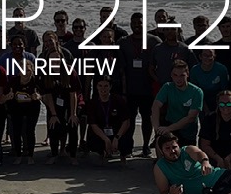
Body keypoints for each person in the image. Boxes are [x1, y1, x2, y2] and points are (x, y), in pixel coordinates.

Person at [119, 12, 160, 156]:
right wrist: (123, 90)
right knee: (129, 119)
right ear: (130, 24)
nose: (137, 25)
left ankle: (145, 146)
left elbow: (159, 63)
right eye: (134, 23)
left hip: (147, 89)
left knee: (147, 118)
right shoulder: (123, 42)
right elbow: (121, 69)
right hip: (130, 89)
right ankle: (128, 148)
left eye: (140, 23)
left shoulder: (154, 41)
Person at [41, 49, 82, 164]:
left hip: (70, 103)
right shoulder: (46, 72)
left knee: (72, 126)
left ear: (61, 59)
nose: (55, 60)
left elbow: (73, 94)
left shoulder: (69, 70)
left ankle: (73, 156)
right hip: (54, 103)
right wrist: (53, 114)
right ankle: (54, 153)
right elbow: (48, 94)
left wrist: (73, 114)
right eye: (52, 58)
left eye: (57, 58)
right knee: (53, 125)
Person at [151, 60, 203, 147]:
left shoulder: (197, 92)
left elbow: (191, 117)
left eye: (182, 75)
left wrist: (169, 128)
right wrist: (157, 129)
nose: (178, 79)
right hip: (170, 123)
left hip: (187, 130)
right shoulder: (167, 87)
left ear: (187, 74)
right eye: (175, 75)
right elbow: (155, 106)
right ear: (171, 75)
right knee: (160, 143)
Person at [85, 78, 132, 164]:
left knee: (127, 139)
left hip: (116, 131)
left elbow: (126, 122)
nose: (103, 89)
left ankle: (123, 155)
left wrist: (117, 138)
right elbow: (93, 125)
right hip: (102, 132)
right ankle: (102, 152)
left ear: (110, 87)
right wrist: (106, 139)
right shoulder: (93, 103)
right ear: (96, 87)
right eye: (100, 86)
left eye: (106, 86)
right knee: (92, 139)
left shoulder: (118, 100)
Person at [190, 49, 229, 114]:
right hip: (202, 99)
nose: (208, 58)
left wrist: (218, 109)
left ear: (214, 56)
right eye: (205, 55)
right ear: (200, 56)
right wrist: (206, 110)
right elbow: (195, 92)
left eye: (210, 55)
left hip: (218, 99)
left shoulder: (222, 69)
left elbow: (224, 90)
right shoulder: (194, 70)